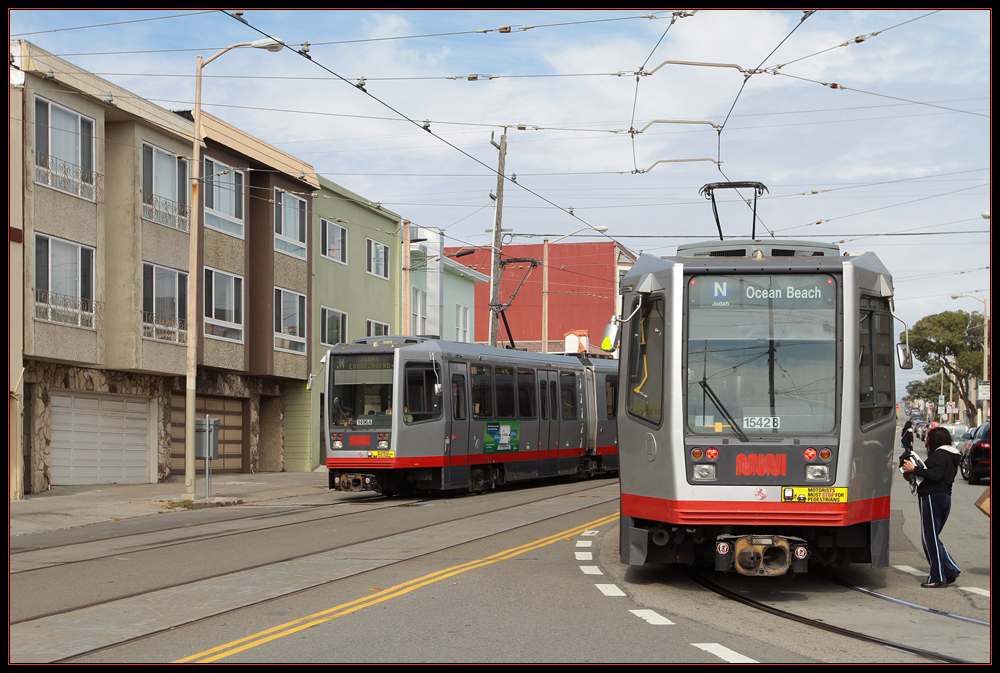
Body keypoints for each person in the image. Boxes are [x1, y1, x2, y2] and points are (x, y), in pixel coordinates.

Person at [901, 426, 962, 588]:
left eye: (929, 440)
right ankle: (949, 569)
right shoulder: (952, 454)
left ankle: (937, 577)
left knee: (930, 538)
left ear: (933, 441)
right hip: (944, 497)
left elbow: (936, 475)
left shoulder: (940, 454)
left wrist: (915, 469)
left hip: (932, 497)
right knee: (933, 537)